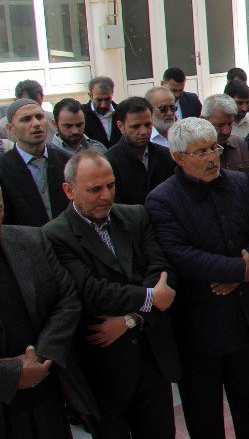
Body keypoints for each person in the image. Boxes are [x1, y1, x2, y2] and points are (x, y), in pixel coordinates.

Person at [145, 118, 249, 439]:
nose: (212, 157)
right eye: (200, 152)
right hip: (198, 327)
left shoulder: (239, 183)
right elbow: (179, 255)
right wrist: (239, 270)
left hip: (242, 317)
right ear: (178, 157)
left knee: (248, 402)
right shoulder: (162, 200)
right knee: (204, 414)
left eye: (213, 148)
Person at [43, 150, 181, 439]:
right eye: (95, 189)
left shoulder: (135, 215)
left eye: (111, 185)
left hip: (151, 357)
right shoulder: (55, 235)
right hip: (102, 368)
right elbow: (91, 292)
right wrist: (150, 298)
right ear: (69, 190)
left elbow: (161, 272)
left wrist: (132, 318)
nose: (106, 195)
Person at [0, 192, 91, 438]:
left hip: (45, 398)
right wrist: (12, 375)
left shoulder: (30, 239)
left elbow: (67, 299)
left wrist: (42, 358)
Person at [0, 98, 72, 226]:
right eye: (26, 119)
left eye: (39, 116)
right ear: (10, 129)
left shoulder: (67, 162)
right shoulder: (3, 169)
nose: (36, 123)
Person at [104, 97, 175, 205]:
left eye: (147, 125)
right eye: (135, 126)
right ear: (121, 126)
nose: (143, 131)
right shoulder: (109, 161)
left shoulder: (166, 156)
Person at [202, 94, 249, 174]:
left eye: (230, 124)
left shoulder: (242, 145)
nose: (227, 131)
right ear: (203, 120)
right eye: (219, 125)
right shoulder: (192, 152)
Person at [82, 76, 120, 148]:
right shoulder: (82, 115)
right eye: (99, 100)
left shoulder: (122, 112)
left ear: (112, 93)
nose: (103, 105)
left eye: (107, 99)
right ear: (90, 95)